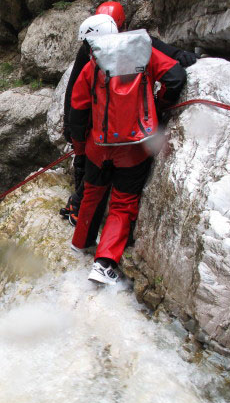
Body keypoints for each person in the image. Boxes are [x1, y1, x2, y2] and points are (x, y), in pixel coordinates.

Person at [60, 1, 197, 227]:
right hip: (123, 121)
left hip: (101, 119)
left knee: (88, 163)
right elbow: (76, 88)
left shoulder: (94, 47)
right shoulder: (104, 47)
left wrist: (72, 128)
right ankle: (80, 204)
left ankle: (79, 207)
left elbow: (74, 92)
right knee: (90, 165)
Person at [68, 25, 186, 285]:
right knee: (122, 204)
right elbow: (175, 77)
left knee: (92, 193)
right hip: (134, 147)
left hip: (98, 147)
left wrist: (80, 148)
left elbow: (77, 110)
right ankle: (104, 264)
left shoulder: (92, 65)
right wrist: (160, 106)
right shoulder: (147, 54)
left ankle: (80, 243)